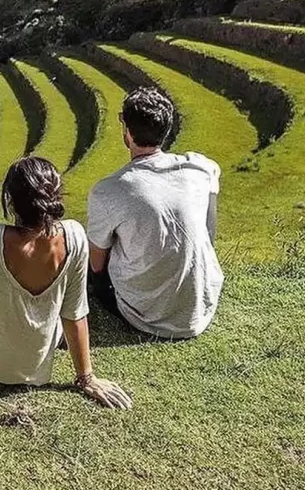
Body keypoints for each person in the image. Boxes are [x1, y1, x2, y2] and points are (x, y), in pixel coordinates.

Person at [0, 156, 132, 416]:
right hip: (47, 341)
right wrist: (87, 378)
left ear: (10, 202)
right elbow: (75, 312)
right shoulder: (75, 235)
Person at [87, 86, 223, 339]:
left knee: (86, 249)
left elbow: (97, 265)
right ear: (167, 129)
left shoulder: (109, 190)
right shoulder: (201, 169)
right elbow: (213, 170)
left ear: (127, 131)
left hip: (145, 314)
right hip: (201, 307)